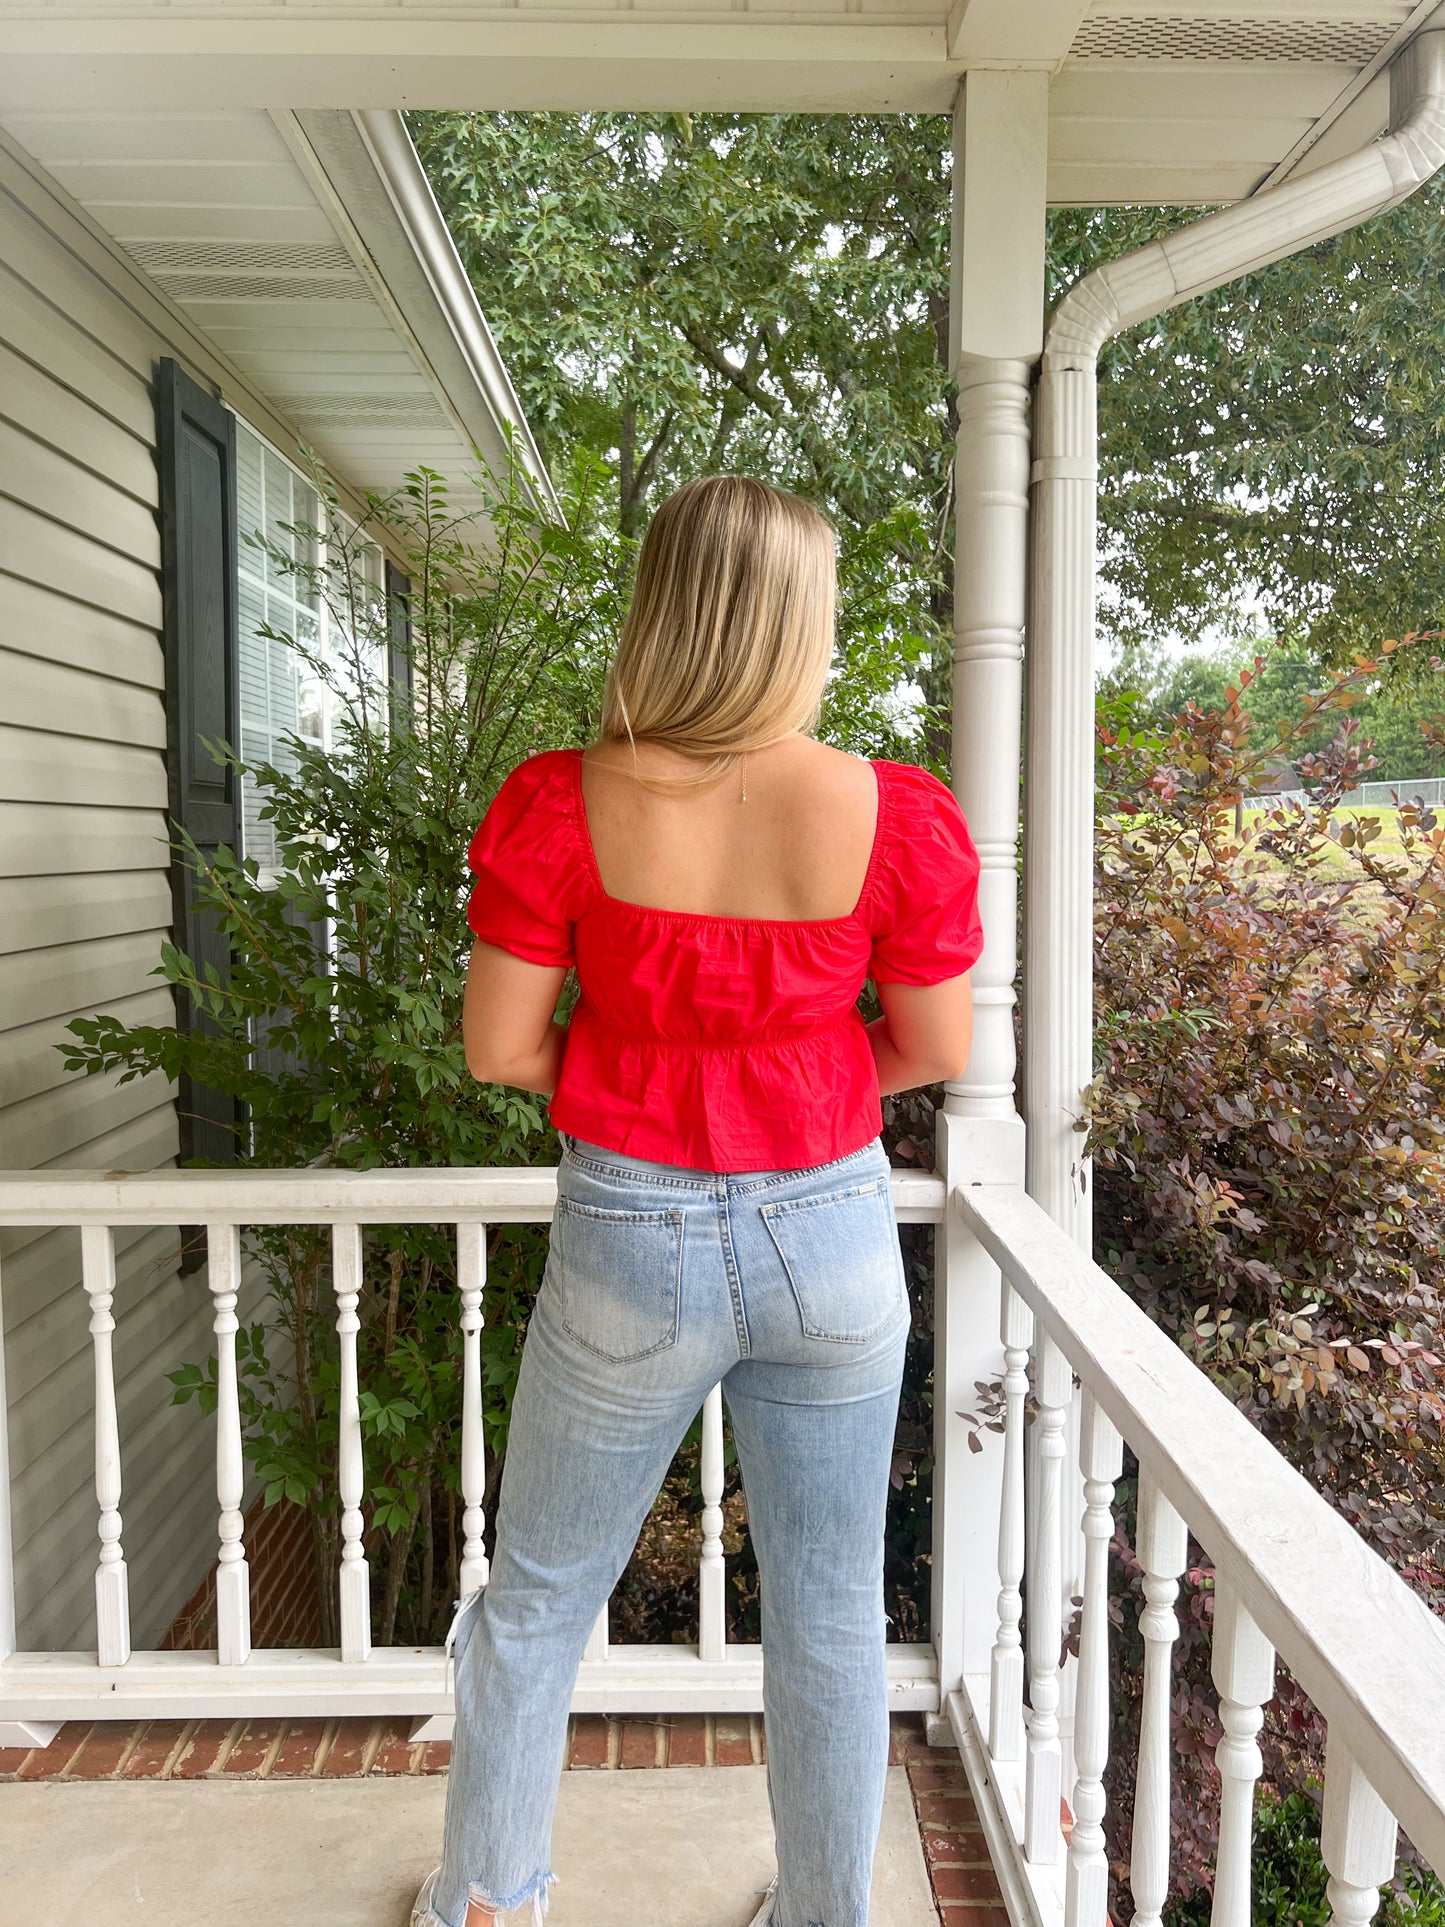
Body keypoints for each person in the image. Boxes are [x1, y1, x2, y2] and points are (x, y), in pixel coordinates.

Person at [412, 475, 984, 1927]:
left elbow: (496, 1046)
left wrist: (632, 1080)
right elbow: (931, 1047)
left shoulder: (561, 801)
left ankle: (486, 1904)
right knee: (830, 1614)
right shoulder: (897, 816)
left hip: (630, 1232)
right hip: (835, 1239)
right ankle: (822, 1916)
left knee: (537, 1598)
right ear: (799, 625)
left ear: (663, 608)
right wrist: (791, 1086)